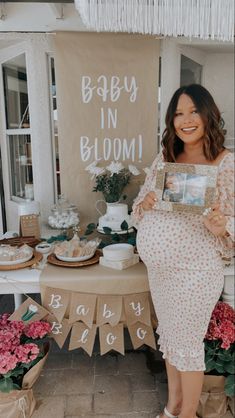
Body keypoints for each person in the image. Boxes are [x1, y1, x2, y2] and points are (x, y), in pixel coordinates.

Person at [132, 84, 234, 418]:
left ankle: (187, 414)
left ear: (208, 115)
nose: (185, 120)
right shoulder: (165, 157)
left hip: (195, 272)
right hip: (160, 272)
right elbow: (138, 206)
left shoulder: (225, 163)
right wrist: (144, 203)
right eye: (178, 113)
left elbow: (232, 219)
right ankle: (173, 405)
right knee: (172, 339)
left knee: (187, 345)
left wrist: (222, 226)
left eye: (193, 111)